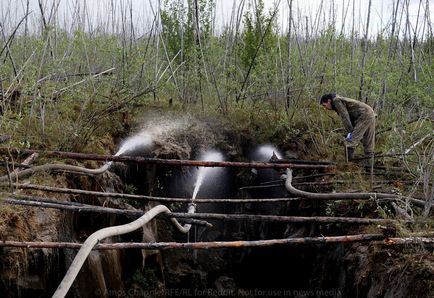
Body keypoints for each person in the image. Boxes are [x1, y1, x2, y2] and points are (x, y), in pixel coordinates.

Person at [320, 93, 375, 161]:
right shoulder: (339, 99)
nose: (325, 108)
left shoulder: (336, 101)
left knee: (351, 142)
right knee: (369, 143)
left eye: (324, 105)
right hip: (370, 112)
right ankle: (369, 166)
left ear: (328, 101)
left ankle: (348, 165)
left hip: (364, 115)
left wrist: (350, 132)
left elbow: (345, 117)